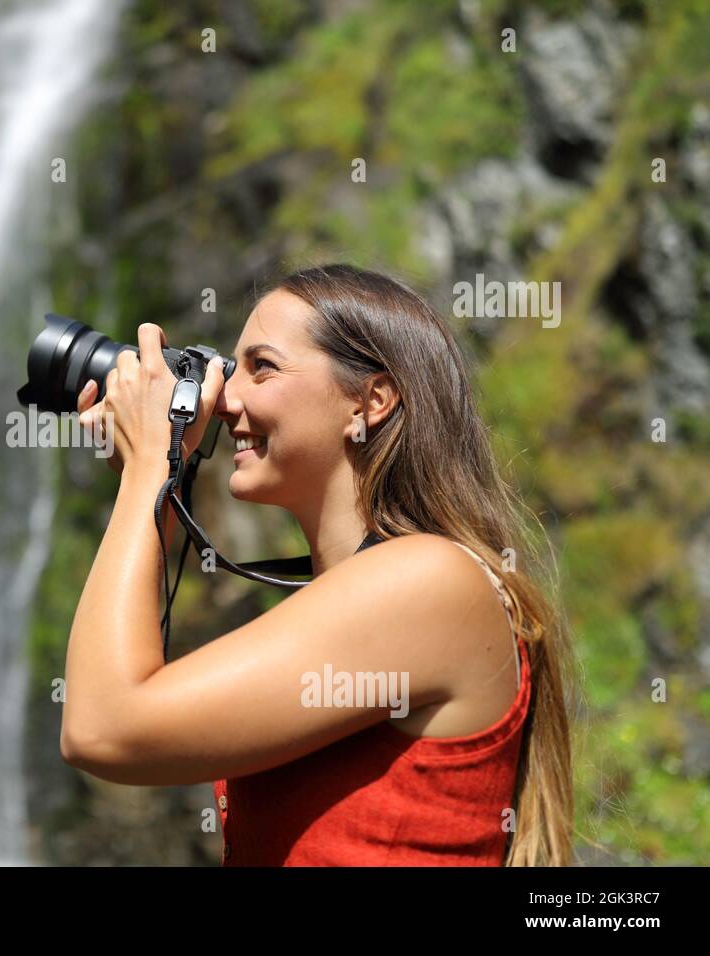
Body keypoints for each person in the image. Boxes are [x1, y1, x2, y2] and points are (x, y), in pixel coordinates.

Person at [60, 263, 579, 866]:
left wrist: (151, 463)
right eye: (230, 369)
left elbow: (103, 727)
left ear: (370, 401)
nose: (223, 399)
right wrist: (157, 479)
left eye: (262, 367)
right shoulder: (371, 592)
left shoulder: (428, 582)